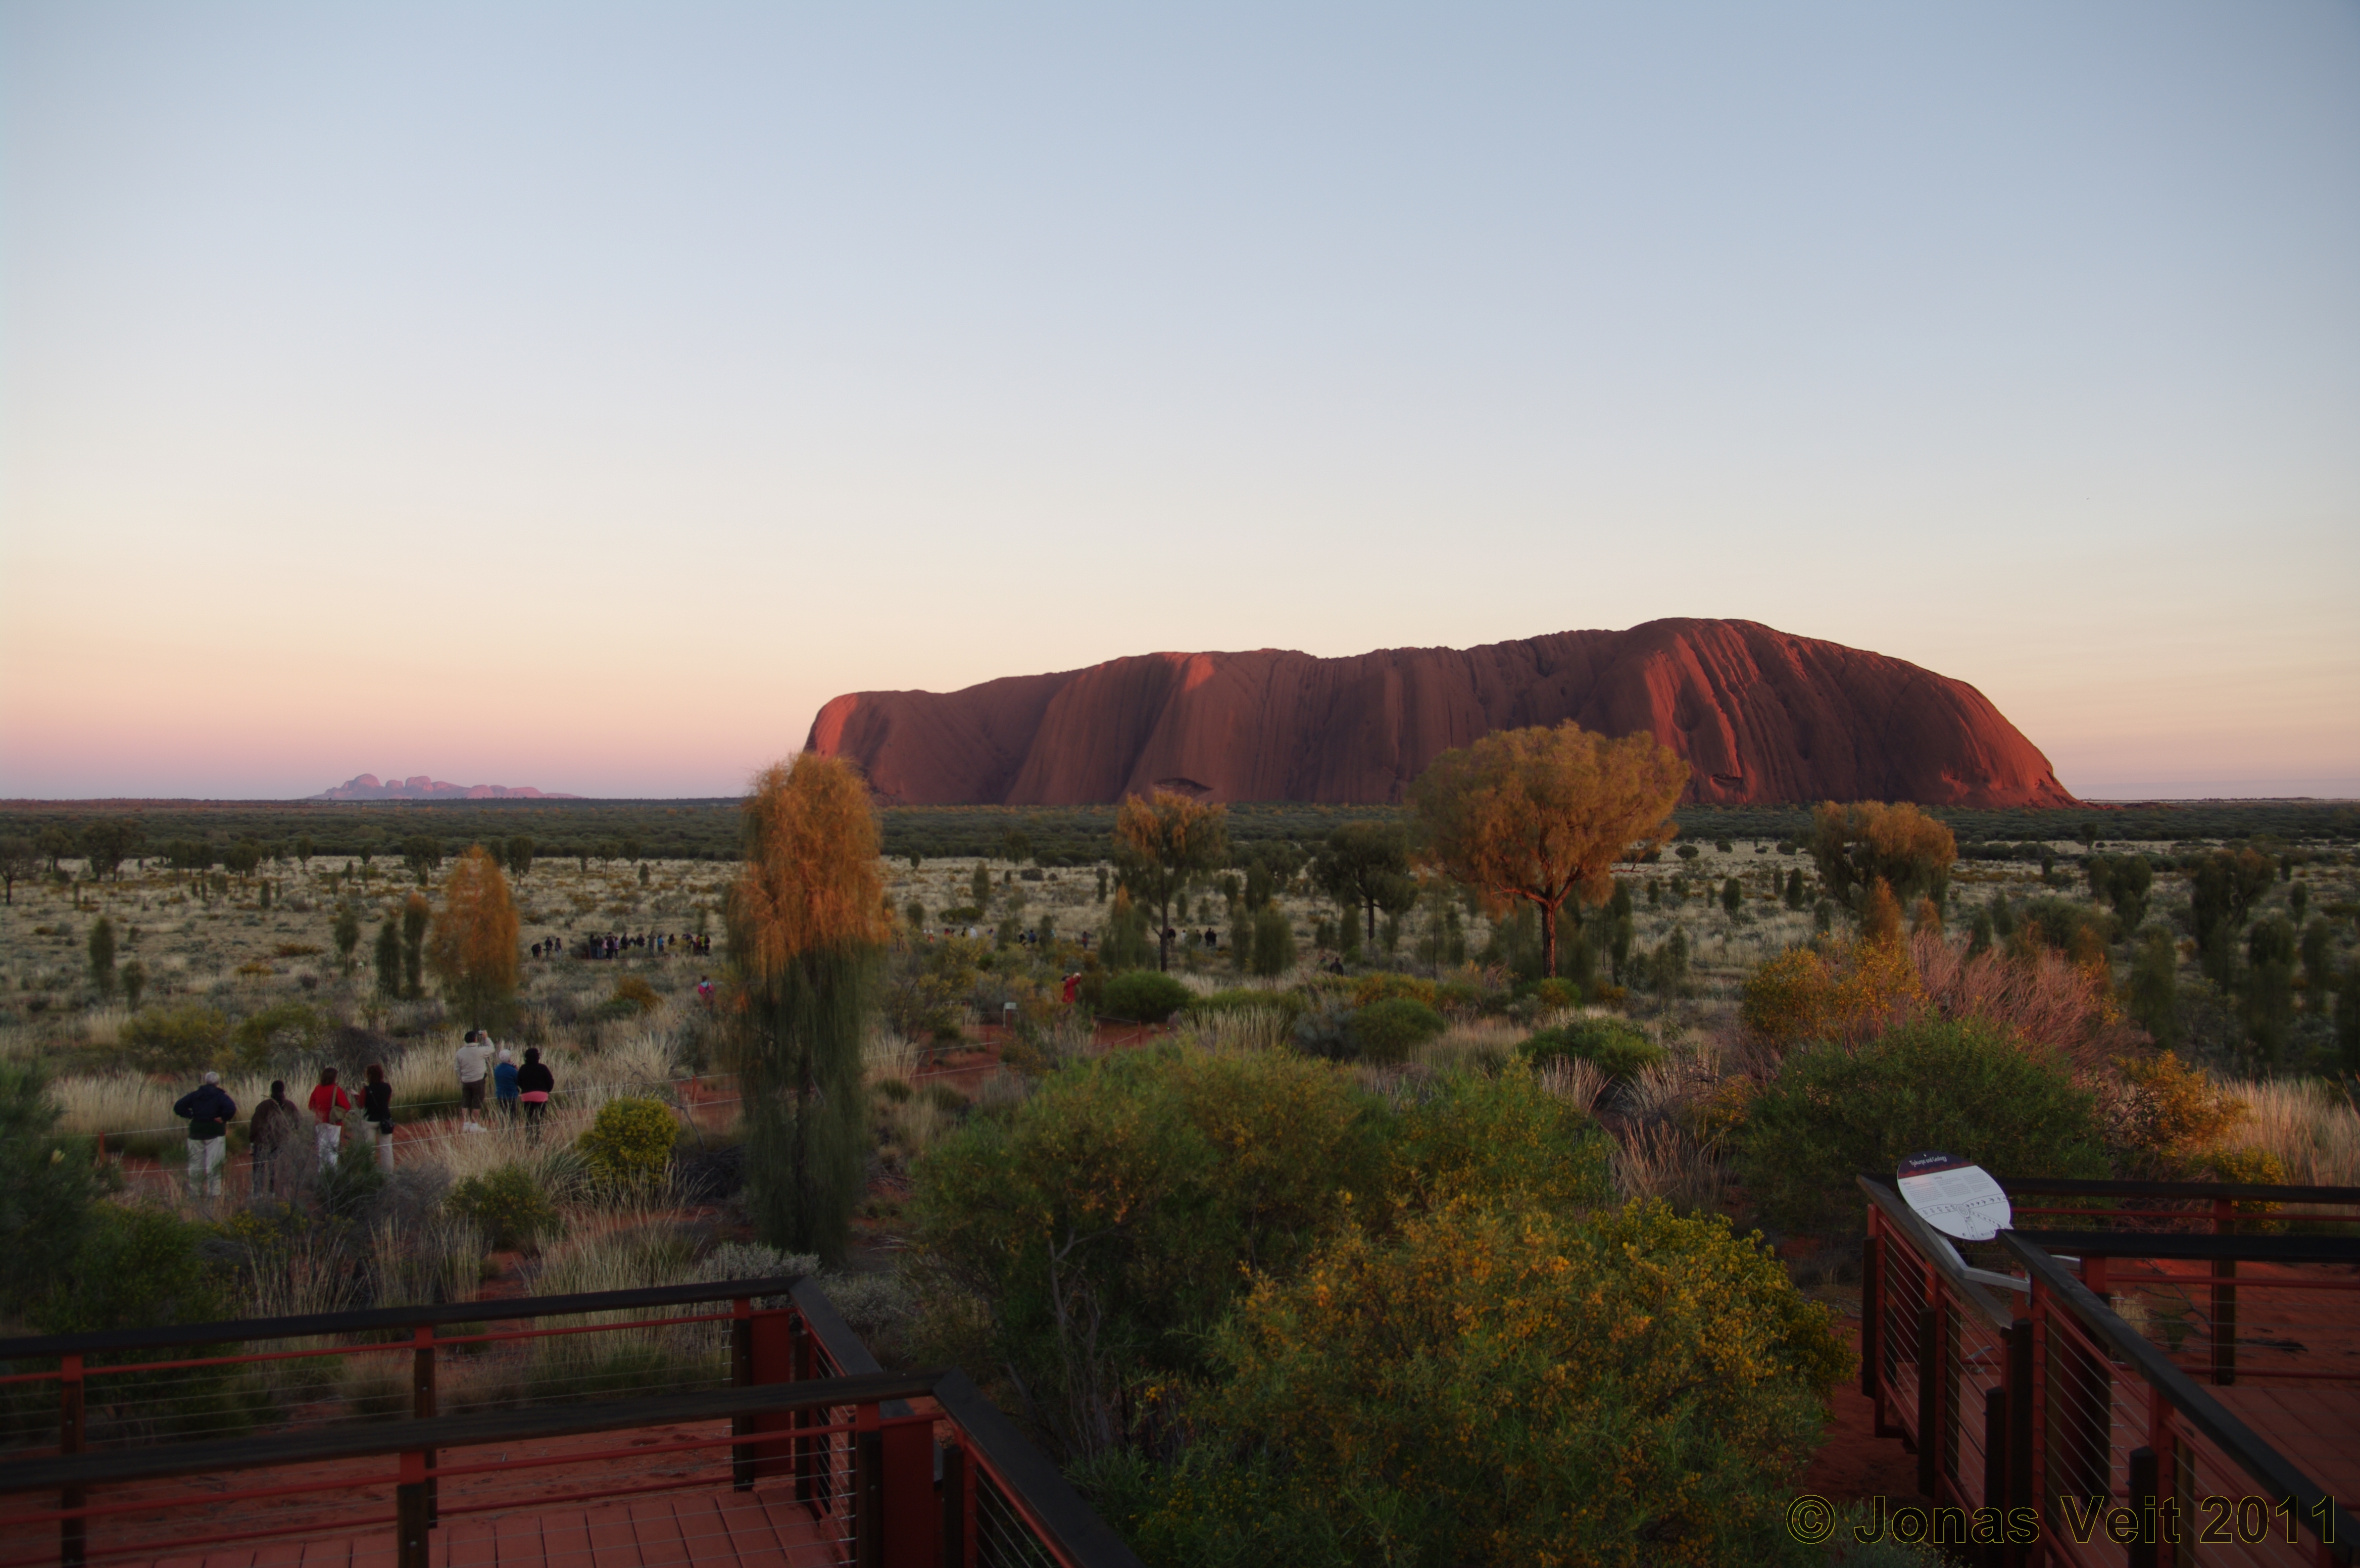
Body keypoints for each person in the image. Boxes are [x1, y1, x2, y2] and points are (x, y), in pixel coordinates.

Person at [172, 1071, 237, 1200]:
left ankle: (195, 1192)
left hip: (196, 1131)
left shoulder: (195, 1095)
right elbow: (231, 1108)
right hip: (214, 1132)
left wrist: (190, 1115)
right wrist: (224, 1118)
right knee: (214, 1164)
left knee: (195, 1163)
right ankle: (214, 1193)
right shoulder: (220, 1096)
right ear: (217, 1083)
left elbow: (178, 1107)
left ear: (205, 1081)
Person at [249, 1081, 296, 1195]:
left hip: (263, 1142)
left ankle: (257, 1193)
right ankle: (273, 1192)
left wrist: (252, 1139)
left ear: (271, 1090)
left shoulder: (264, 1106)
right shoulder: (290, 1106)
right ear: (284, 1090)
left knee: (259, 1167)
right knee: (276, 1167)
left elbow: (255, 1124)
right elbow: (298, 1123)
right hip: (282, 1143)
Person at [308, 1066, 351, 1166]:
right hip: (334, 1123)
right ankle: (332, 1175)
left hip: (320, 1122)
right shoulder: (336, 1089)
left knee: (322, 1151)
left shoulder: (318, 1088)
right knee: (333, 1151)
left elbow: (311, 1106)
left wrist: (320, 1111)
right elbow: (347, 1106)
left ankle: (322, 1173)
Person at [455, 1030, 493, 1131]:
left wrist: (462, 1077)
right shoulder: (480, 1050)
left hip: (466, 1081)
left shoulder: (460, 1052)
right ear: (475, 1039)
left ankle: (465, 1124)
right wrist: (486, 1038)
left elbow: (457, 1068)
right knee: (477, 1102)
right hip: (478, 1080)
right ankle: (474, 1125)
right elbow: (491, 1049)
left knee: (465, 1102)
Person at [360, 1063, 395, 1171]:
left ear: (369, 1076)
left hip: (370, 1120)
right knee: (387, 1147)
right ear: (381, 1074)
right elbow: (387, 1102)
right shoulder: (387, 1087)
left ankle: (370, 1172)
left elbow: (361, 1105)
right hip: (385, 1120)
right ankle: (388, 1172)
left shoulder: (366, 1089)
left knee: (369, 1148)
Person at [516, 1047, 554, 1139]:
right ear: (538, 1057)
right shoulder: (543, 1068)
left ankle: (529, 1138)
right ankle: (538, 1138)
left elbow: (518, 1081)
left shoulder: (523, 1068)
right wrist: (546, 1091)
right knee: (539, 1118)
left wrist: (525, 1089)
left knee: (529, 1118)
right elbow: (551, 1081)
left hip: (527, 1096)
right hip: (541, 1095)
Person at [493, 1047, 519, 1119]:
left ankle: (503, 1127)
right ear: (509, 1059)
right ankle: (512, 1128)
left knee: (502, 1113)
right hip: (511, 1094)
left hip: (500, 1094)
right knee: (512, 1114)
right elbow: (518, 1081)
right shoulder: (512, 1070)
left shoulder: (497, 1069)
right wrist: (516, 1069)